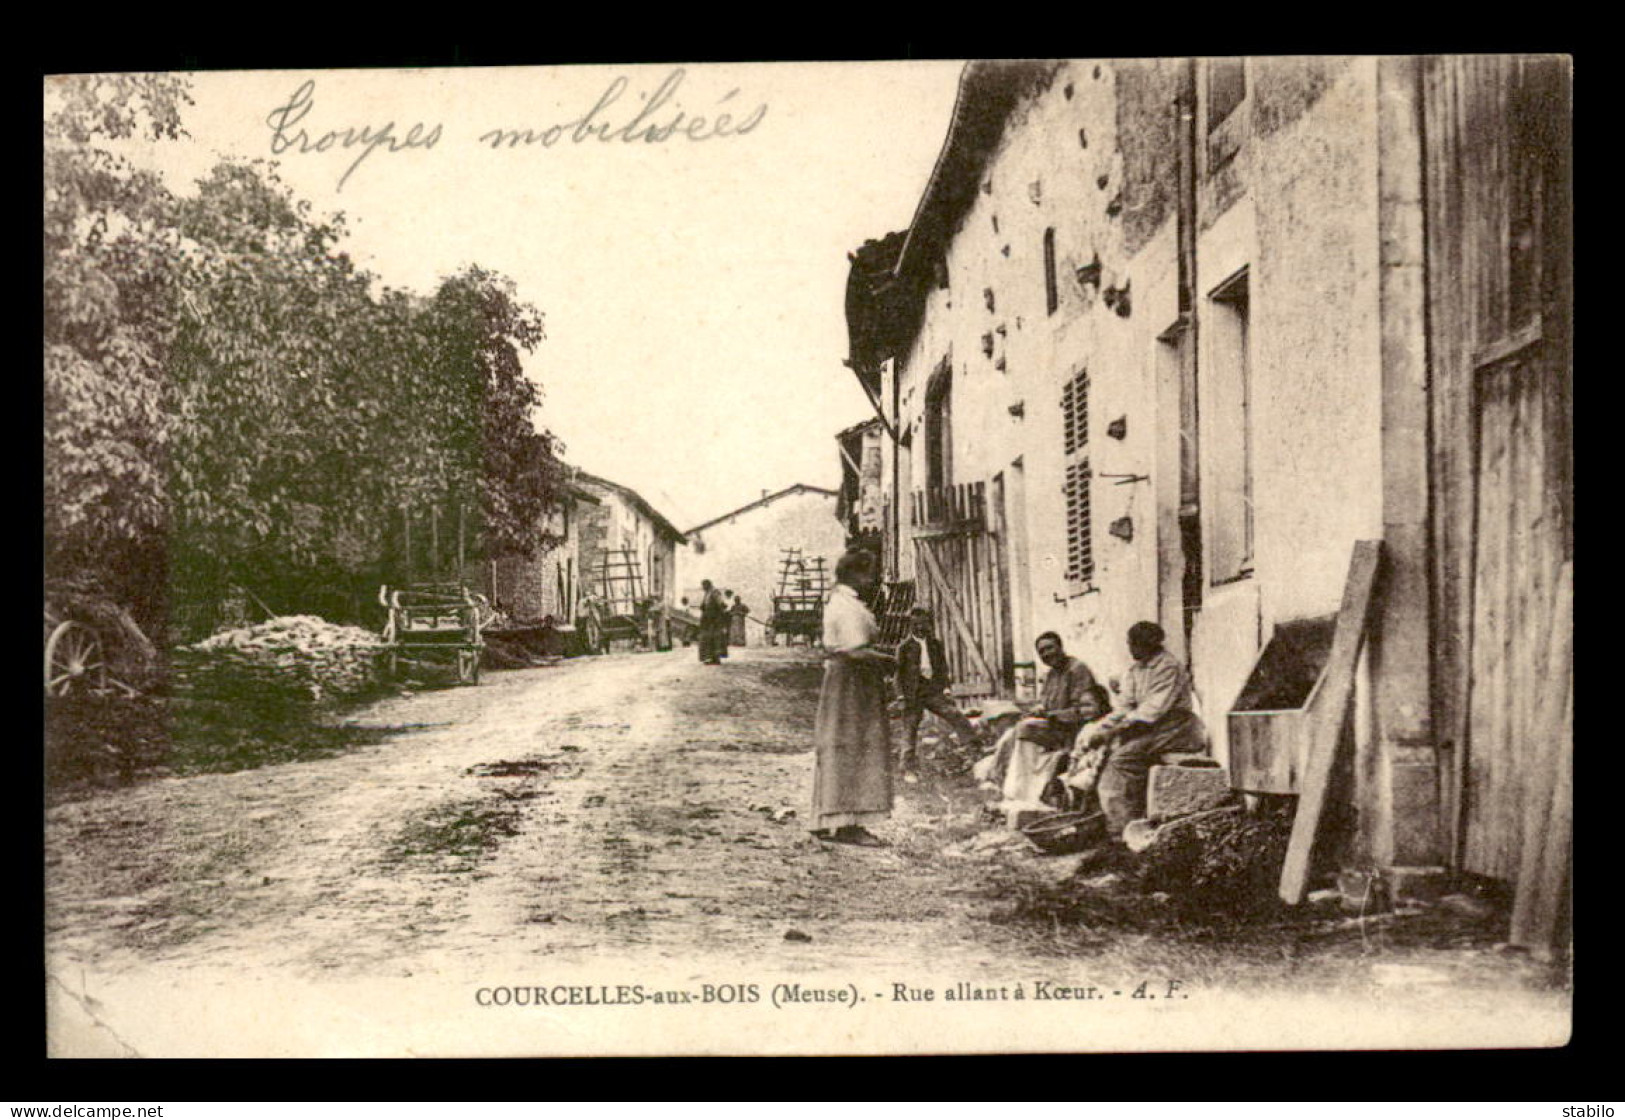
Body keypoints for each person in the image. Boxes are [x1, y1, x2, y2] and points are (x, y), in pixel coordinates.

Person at [1084, 621, 1207, 842]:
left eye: (1136, 644)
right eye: (1130, 644)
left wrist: (1112, 733)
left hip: (1177, 727)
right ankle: (1122, 821)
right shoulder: (1135, 669)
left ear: (1151, 645)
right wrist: (1098, 730)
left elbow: (1150, 713)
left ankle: (1120, 833)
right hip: (1151, 729)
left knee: (1120, 761)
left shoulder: (1167, 667)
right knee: (1107, 752)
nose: (1131, 649)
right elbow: (1124, 708)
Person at [810, 549, 896, 846]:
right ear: (856, 574)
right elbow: (854, 650)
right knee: (856, 746)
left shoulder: (842, 600)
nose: (873, 580)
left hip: (847, 681)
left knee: (840, 745)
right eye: (869, 574)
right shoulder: (846, 606)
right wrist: (888, 659)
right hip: (852, 684)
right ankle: (849, 823)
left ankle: (828, 818)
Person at [997, 632, 1107, 810]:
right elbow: (1046, 703)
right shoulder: (1051, 675)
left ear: (1060, 647)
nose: (1046, 654)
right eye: (1041, 652)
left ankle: (1025, 793)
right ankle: (1014, 790)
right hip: (1055, 727)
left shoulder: (1077, 670)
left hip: (1074, 729)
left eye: (1050, 648)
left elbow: (1087, 710)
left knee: (1026, 729)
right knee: (1013, 733)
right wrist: (1040, 708)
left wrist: (1053, 715)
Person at [894, 607, 983, 783]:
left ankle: (975, 753)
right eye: (916, 624)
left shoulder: (935, 644)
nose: (920, 627)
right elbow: (898, 675)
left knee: (955, 715)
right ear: (910, 626)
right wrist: (901, 697)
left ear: (929, 624)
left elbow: (942, 668)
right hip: (912, 694)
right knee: (909, 729)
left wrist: (946, 688)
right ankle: (908, 769)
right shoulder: (904, 647)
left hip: (931, 691)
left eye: (924, 623)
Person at [697, 580, 728, 665]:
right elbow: (705, 605)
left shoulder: (715, 592)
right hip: (707, 619)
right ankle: (709, 658)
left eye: (703, 586)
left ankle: (716, 658)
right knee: (707, 639)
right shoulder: (707, 593)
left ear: (708, 585)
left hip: (714, 620)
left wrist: (720, 614)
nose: (703, 588)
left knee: (715, 638)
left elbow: (721, 604)